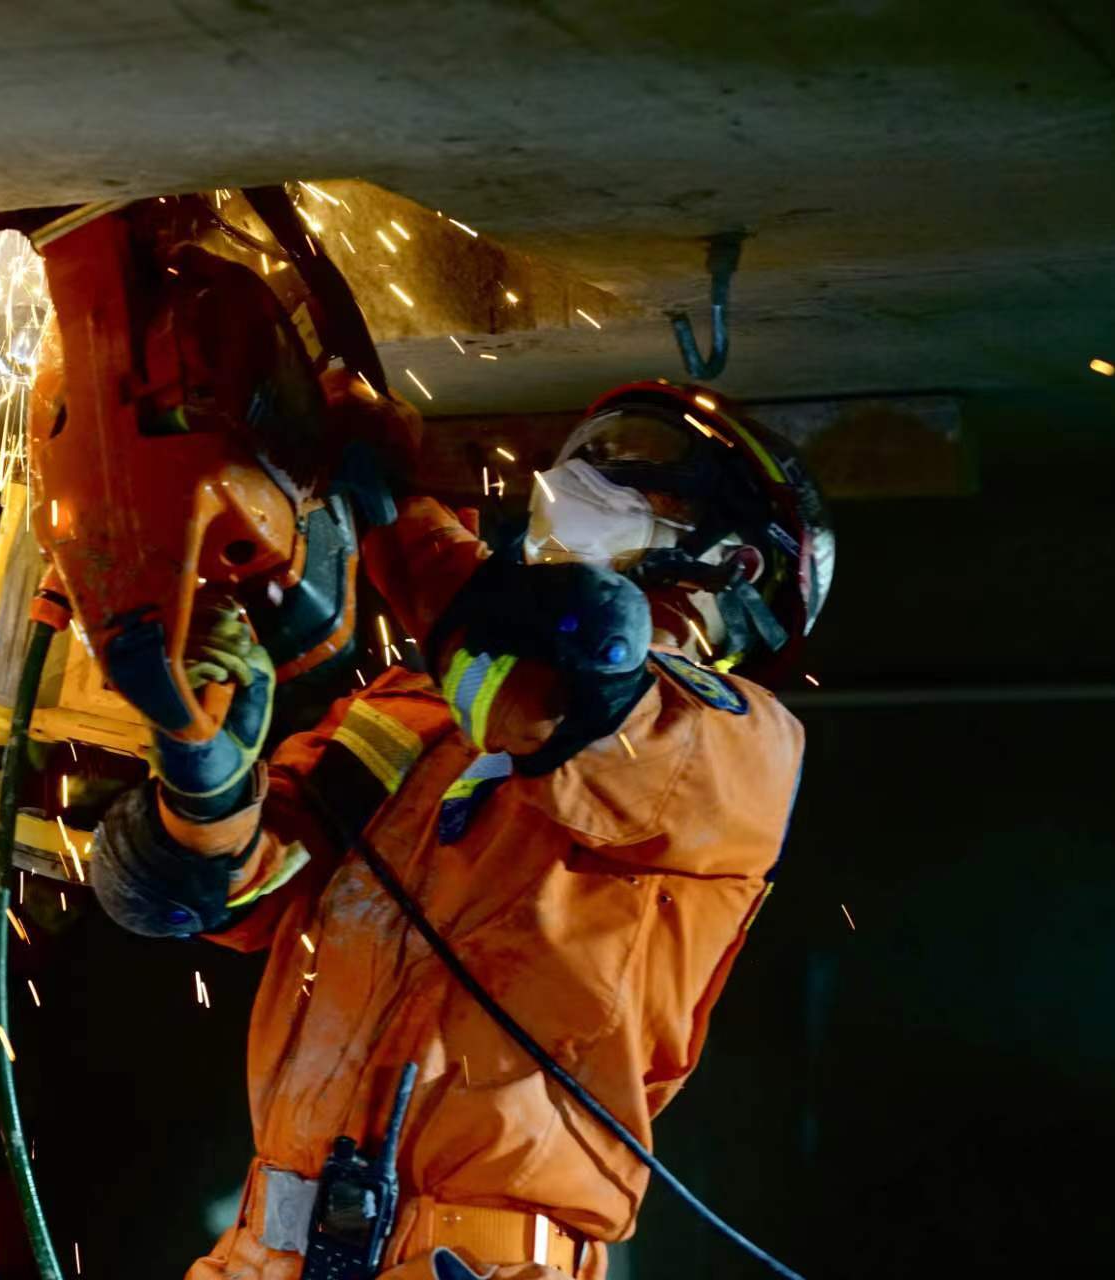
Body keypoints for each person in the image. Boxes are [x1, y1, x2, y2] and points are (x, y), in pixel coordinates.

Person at [91, 380, 832, 1280]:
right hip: (260, 1255)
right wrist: (204, 777)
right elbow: (242, 895)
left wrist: (396, 506)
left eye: (638, 471)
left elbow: (549, 696)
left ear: (737, 562)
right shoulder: (412, 707)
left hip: (472, 1263)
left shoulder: (732, 741)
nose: (581, 481)